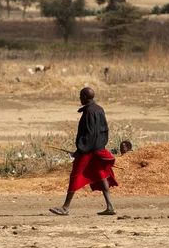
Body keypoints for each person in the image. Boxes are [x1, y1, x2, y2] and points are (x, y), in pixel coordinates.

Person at [49, 87, 118, 216]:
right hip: (98, 148)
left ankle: (65, 207)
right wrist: (99, 146)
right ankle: (110, 206)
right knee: (101, 175)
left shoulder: (89, 112)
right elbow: (104, 131)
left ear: (86, 97)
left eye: (81, 96)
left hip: (89, 150)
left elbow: (90, 134)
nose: (80, 99)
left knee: (75, 175)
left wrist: (80, 150)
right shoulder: (99, 109)